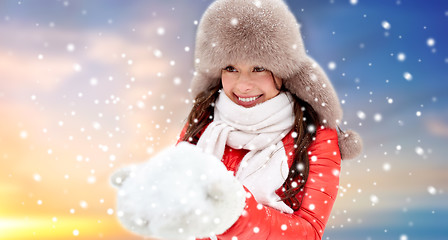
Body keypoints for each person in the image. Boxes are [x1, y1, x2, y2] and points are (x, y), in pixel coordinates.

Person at [111, 0, 362, 239]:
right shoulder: (204, 120)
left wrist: (234, 213)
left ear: (282, 73)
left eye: (258, 68)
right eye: (231, 68)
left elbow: (309, 232)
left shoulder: (314, 135)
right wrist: (149, 191)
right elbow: (183, 197)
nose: (243, 85)